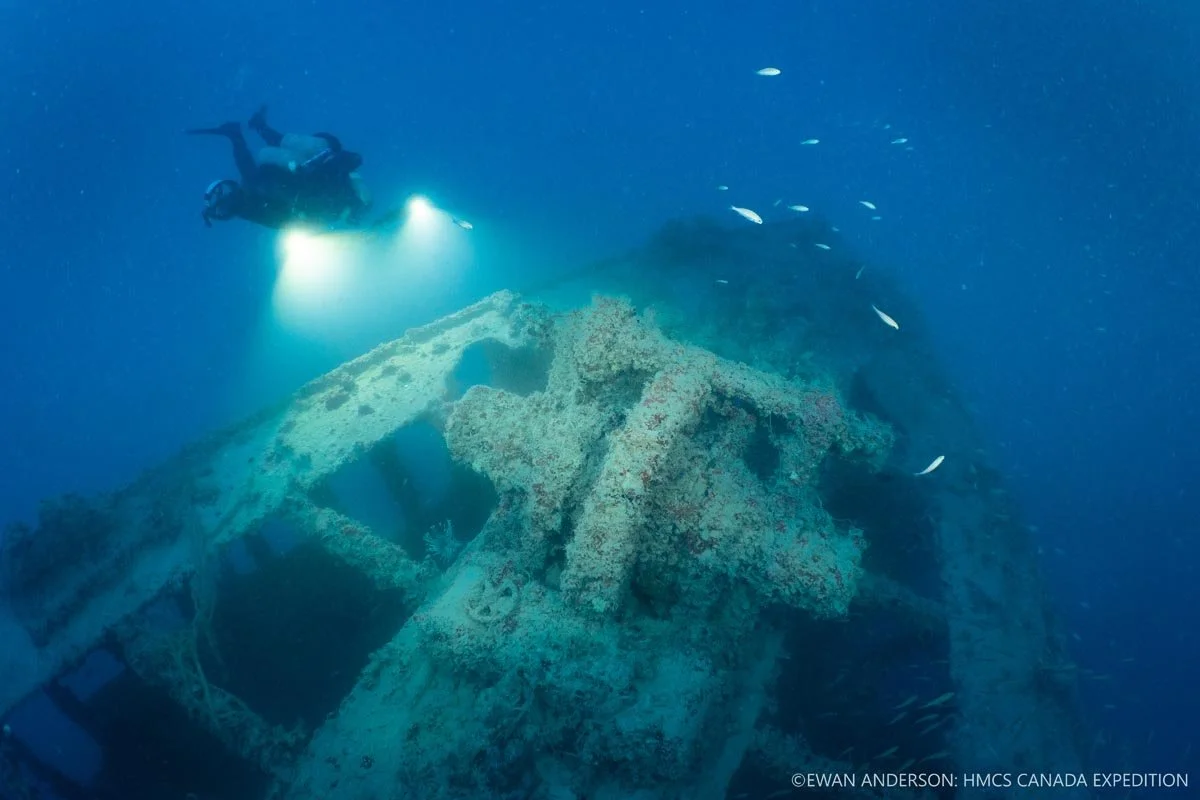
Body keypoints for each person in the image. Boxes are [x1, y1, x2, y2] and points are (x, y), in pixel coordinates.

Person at [187, 106, 373, 230]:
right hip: (303, 201)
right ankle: (242, 132)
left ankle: (240, 132)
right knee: (253, 184)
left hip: (304, 199)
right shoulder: (325, 161)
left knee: (253, 182)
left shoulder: (328, 162)